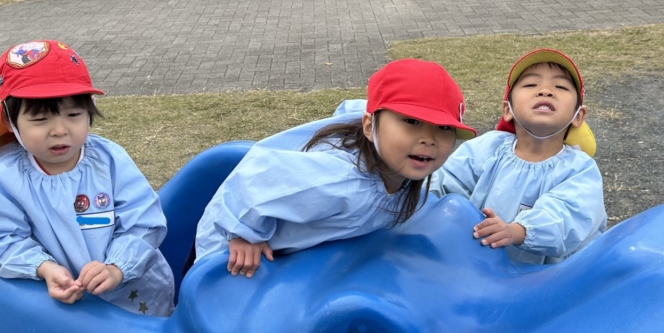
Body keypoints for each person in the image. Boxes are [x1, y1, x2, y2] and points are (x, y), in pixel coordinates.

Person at [194, 59, 476, 277]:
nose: (429, 139)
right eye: (411, 122)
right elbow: (254, 181)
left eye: (444, 128)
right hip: (229, 249)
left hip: (293, 254)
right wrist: (243, 234)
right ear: (369, 126)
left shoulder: (400, 166)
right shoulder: (341, 182)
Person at [0, 40, 175, 316]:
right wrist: (44, 268)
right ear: (10, 120)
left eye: (74, 114)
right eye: (40, 119)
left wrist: (117, 268)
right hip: (61, 308)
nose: (59, 130)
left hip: (133, 296)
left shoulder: (109, 161)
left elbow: (143, 221)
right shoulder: (0, 179)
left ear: (90, 110)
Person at [431, 49, 606, 265]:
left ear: (578, 115)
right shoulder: (487, 149)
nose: (545, 91)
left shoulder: (580, 168)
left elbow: (569, 216)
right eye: (531, 84)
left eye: (560, 87)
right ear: (508, 109)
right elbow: (443, 184)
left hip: (548, 278)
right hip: (475, 268)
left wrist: (518, 231)